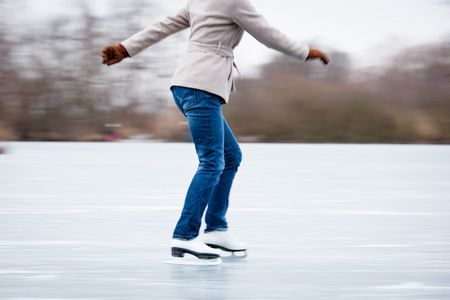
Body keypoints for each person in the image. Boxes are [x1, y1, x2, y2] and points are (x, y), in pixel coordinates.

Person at [102, 0, 329, 261]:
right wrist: (304, 52)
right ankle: (185, 235)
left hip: (187, 85)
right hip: (202, 86)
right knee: (212, 162)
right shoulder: (233, 2)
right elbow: (268, 34)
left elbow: (163, 26)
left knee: (230, 158)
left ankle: (216, 230)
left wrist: (125, 48)